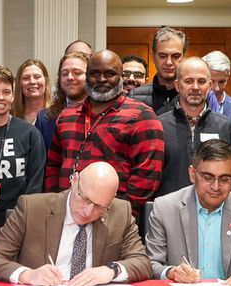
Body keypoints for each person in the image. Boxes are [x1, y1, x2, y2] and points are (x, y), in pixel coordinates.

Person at [0, 161, 152, 286]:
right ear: (74, 180)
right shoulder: (32, 208)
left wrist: (111, 270)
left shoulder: (121, 212)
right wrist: (28, 275)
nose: (88, 212)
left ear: (111, 200)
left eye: (99, 206)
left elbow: (142, 262)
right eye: (84, 199)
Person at [44, 50, 165, 217]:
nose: (101, 79)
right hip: (66, 215)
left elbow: (146, 178)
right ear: (87, 77)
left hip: (112, 217)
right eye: (94, 73)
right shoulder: (67, 116)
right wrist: (56, 207)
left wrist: (122, 216)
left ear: (121, 77)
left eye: (110, 74)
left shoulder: (142, 116)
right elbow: (53, 167)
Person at [144, 140, 231, 286]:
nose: (215, 186)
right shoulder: (165, 208)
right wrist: (170, 272)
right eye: (207, 177)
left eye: (225, 179)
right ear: (192, 174)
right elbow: (151, 264)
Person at [0, 65, 45, 250]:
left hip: (19, 224)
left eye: (6, 92)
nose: (0, 97)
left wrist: (14, 227)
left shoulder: (29, 133)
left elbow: (35, 185)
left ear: (13, 96)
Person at [154, 56, 231, 200]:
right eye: (188, 81)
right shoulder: (159, 126)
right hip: (170, 209)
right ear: (177, 85)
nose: (195, 87)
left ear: (210, 85)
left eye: (201, 81)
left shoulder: (226, 126)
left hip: (214, 209)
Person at [34, 51, 87, 152]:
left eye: (77, 73)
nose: (70, 77)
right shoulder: (44, 118)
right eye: (65, 74)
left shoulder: (103, 115)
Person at [130, 27, 185, 113]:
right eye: (163, 56)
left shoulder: (192, 94)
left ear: (184, 57)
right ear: (153, 56)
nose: (169, 62)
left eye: (175, 56)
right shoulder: (135, 97)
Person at [11, 58, 51, 125]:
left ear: (46, 80)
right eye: (26, 78)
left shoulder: (57, 114)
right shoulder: (9, 117)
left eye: (37, 77)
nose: (32, 82)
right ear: (19, 83)